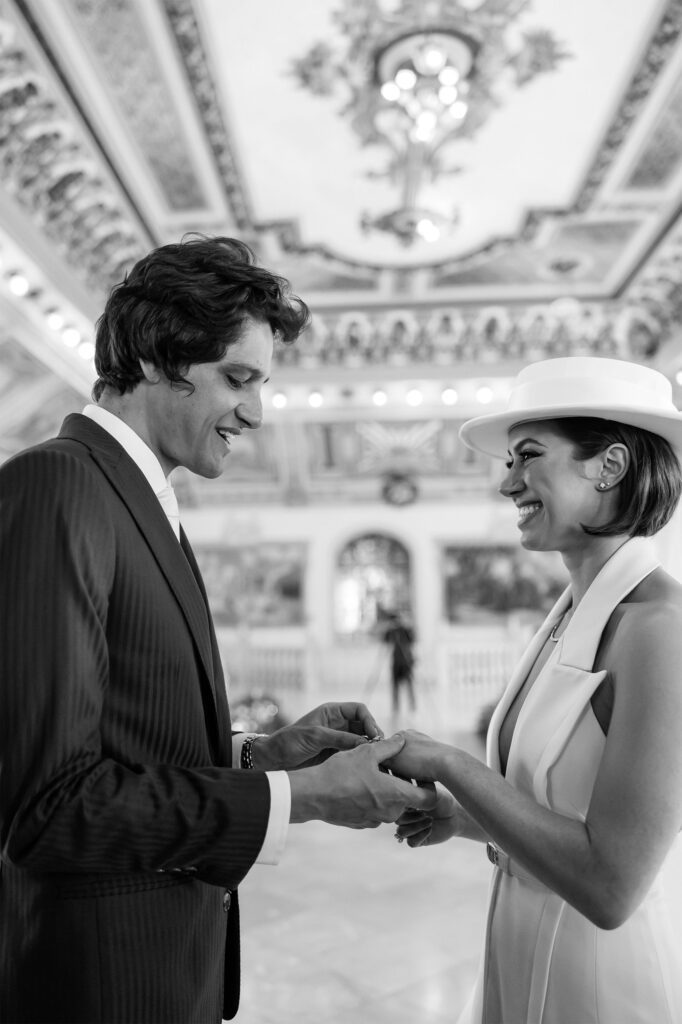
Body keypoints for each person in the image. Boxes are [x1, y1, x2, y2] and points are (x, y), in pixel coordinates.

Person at [0, 236, 435, 1024]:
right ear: (161, 356)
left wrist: (256, 755)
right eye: (238, 379)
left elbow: (120, 739)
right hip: (104, 982)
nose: (258, 413)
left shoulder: (139, 499)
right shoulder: (60, 484)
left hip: (169, 968)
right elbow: (49, 809)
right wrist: (295, 796)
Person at [389, 356, 682, 1023]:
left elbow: (611, 884)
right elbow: (563, 809)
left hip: (605, 987)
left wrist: (450, 765)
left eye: (528, 456)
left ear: (608, 466)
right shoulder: (573, 611)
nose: (507, 482)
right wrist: (461, 818)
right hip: (522, 962)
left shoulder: (662, 629)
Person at [382, 610, 417, 720]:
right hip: (396, 662)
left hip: (406, 662)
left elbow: (412, 639)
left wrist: (404, 626)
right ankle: (396, 707)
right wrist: (390, 628)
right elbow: (385, 640)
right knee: (395, 686)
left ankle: (412, 706)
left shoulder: (405, 630)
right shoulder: (391, 631)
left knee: (409, 685)